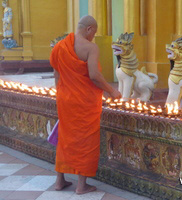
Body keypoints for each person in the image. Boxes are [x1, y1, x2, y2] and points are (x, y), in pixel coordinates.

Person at [50, 15, 121, 195]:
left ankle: (60, 181)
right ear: (89, 29)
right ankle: (82, 186)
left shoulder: (60, 46)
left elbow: (56, 75)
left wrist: (62, 94)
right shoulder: (90, 47)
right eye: (94, 33)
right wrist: (111, 91)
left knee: (64, 138)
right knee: (85, 141)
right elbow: (94, 75)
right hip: (84, 101)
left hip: (65, 99)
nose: (93, 37)